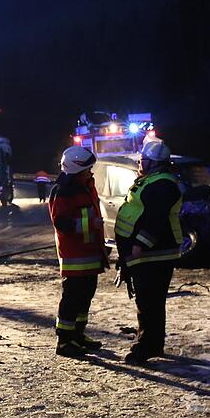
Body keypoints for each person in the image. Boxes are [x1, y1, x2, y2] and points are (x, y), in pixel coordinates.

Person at [114, 139, 184, 363]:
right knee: (147, 300)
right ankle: (151, 341)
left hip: (154, 254)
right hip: (147, 254)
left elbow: (156, 219)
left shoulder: (162, 185)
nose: (140, 163)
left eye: (143, 160)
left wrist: (140, 244)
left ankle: (148, 346)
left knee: (149, 301)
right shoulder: (152, 180)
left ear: (154, 163)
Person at [50, 146, 109, 357]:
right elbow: (62, 223)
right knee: (72, 298)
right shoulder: (64, 191)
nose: (91, 172)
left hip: (90, 253)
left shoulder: (85, 186)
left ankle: (78, 334)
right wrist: (90, 224)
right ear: (77, 170)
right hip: (75, 255)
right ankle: (64, 341)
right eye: (88, 169)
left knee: (85, 297)